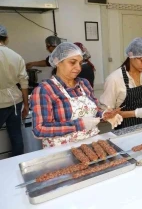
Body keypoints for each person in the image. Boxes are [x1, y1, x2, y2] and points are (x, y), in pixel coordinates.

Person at [30, 42, 122, 148]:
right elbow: (40, 129)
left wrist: (105, 115)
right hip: (61, 150)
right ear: (57, 62)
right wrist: (79, 124)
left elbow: (95, 111)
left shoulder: (84, 84)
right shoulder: (45, 90)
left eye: (80, 63)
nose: (78, 68)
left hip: (93, 145)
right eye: (72, 62)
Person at [100, 37, 142, 129]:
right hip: (124, 127)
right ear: (131, 56)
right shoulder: (114, 79)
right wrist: (135, 113)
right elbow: (107, 114)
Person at [0, 25, 28, 156]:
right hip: (15, 102)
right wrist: (26, 106)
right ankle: (16, 163)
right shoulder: (16, 56)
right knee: (16, 137)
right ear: (6, 38)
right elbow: (24, 83)